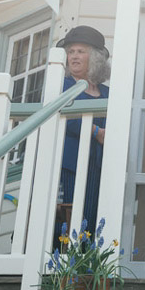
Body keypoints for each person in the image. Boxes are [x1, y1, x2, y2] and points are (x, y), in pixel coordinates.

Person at [54, 25, 110, 239]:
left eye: (80, 51)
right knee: (67, 218)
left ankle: (87, 267)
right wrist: (96, 131)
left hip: (98, 167)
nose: (74, 57)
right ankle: (64, 267)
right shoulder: (63, 84)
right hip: (68, 165)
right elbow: (61, 115)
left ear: (95, 57)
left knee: (92, 218)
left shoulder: (107, 93)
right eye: (70, 52)